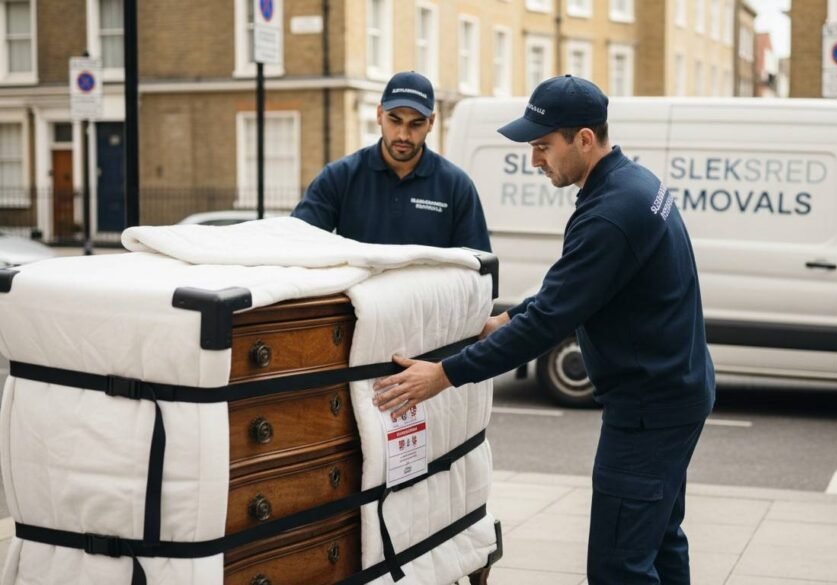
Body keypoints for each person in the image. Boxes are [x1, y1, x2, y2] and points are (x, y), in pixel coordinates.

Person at [371, 75, 715, 584]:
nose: (534, 160)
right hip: (676, 391)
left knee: (619, 564)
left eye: (542, 146)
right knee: (660, 540)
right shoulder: (633, 185)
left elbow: (552, 319)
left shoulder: (610, 213)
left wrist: (442, 376)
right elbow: (578, 287)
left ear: (583, 139)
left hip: (648, 409)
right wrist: (506, 319)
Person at [291, 71, 491, 251]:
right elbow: (297, 243)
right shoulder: (340, 177)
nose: (403, 135)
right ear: (379, 115)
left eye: (416, 123)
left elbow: (477, 269)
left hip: (427, 293)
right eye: (395, 120)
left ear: (431, 122)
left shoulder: (456, 186)